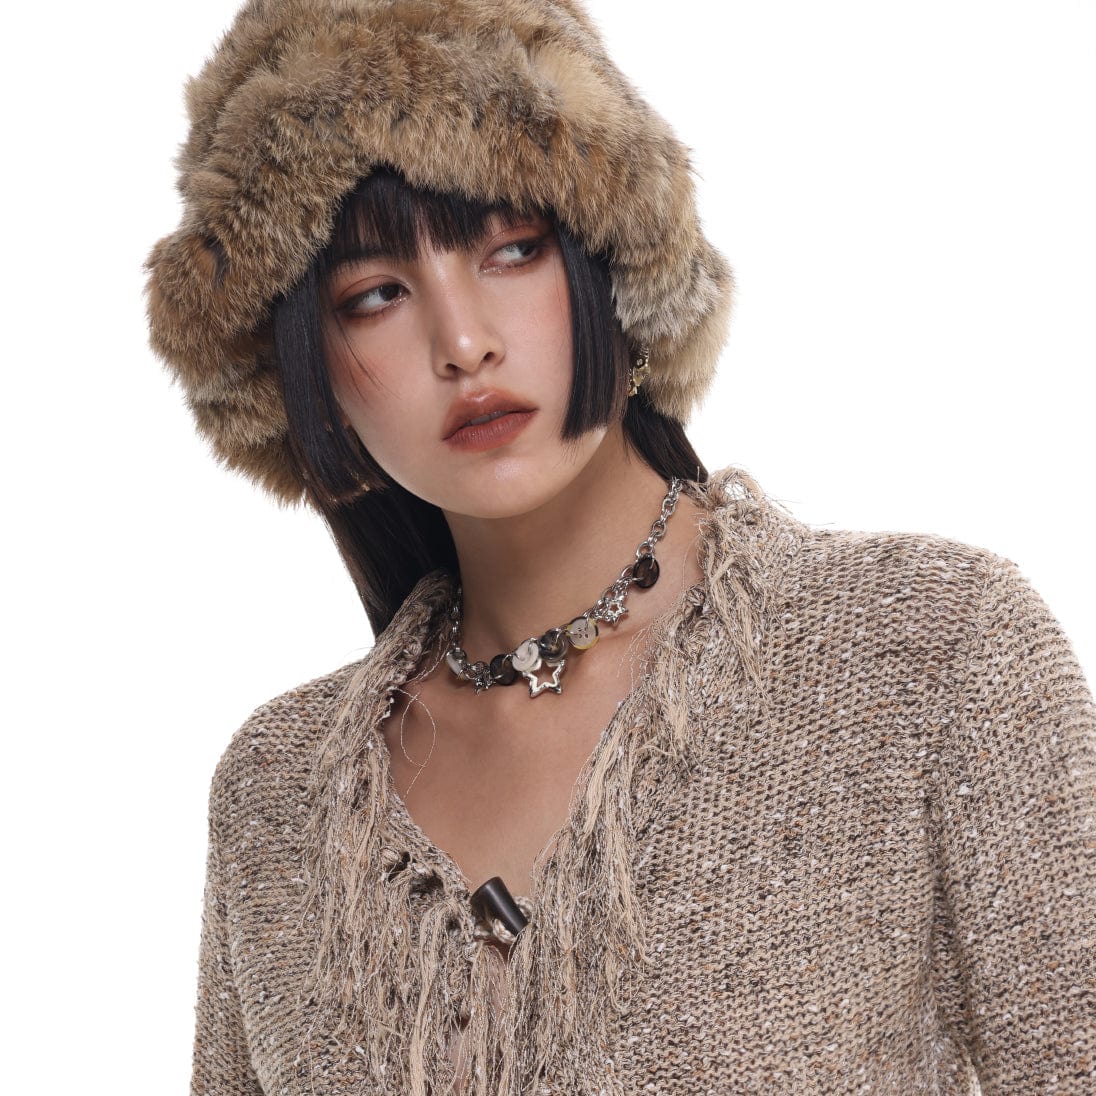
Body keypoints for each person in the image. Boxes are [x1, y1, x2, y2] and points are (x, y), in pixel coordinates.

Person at [145, 1, 1095, 1092]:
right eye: (376, 295)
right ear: (303, 372)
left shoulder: (931, 654)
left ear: (614, 264)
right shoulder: (276, 792)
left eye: (513, 248)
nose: (464, 342)